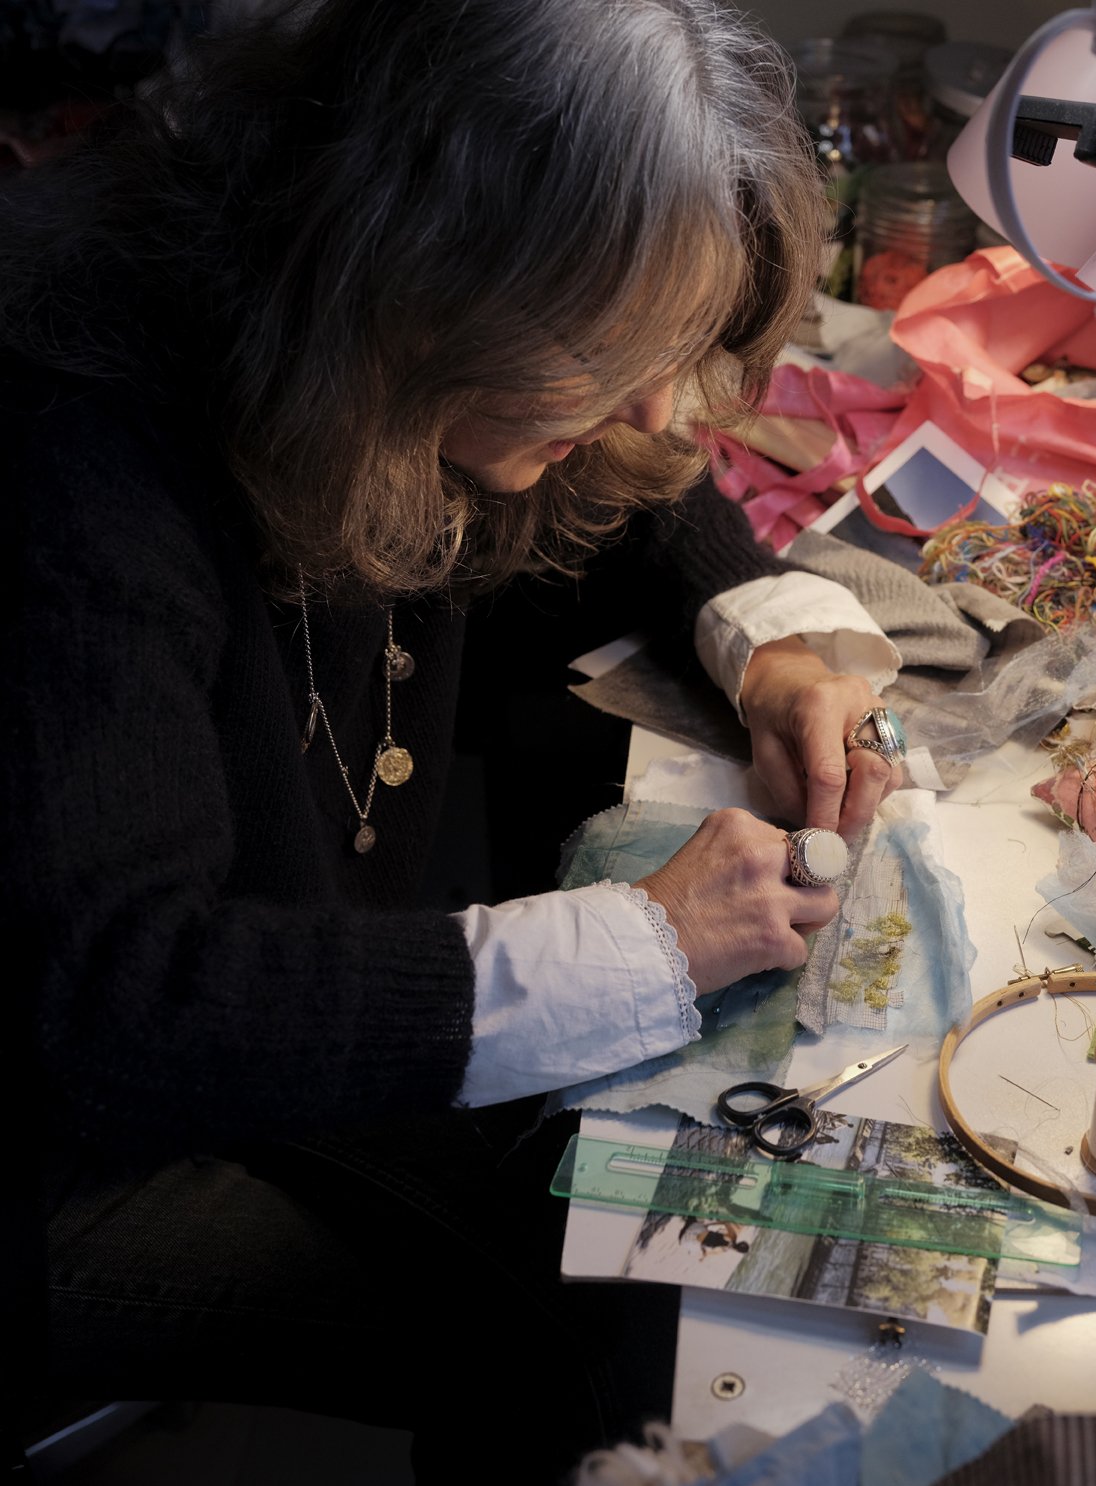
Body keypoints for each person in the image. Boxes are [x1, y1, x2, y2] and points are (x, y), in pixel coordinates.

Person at [1, 0, 910, 1475]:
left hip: (246, 995)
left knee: (617, 1222)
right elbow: (128, 1003)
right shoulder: (73, 451)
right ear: (434, 261)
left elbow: (623, 479)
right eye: (606, 349)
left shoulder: (377, 324)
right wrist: (647, 945)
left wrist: (768, 642)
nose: (656, 405)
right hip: (76, 1121)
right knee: (593, 1307)